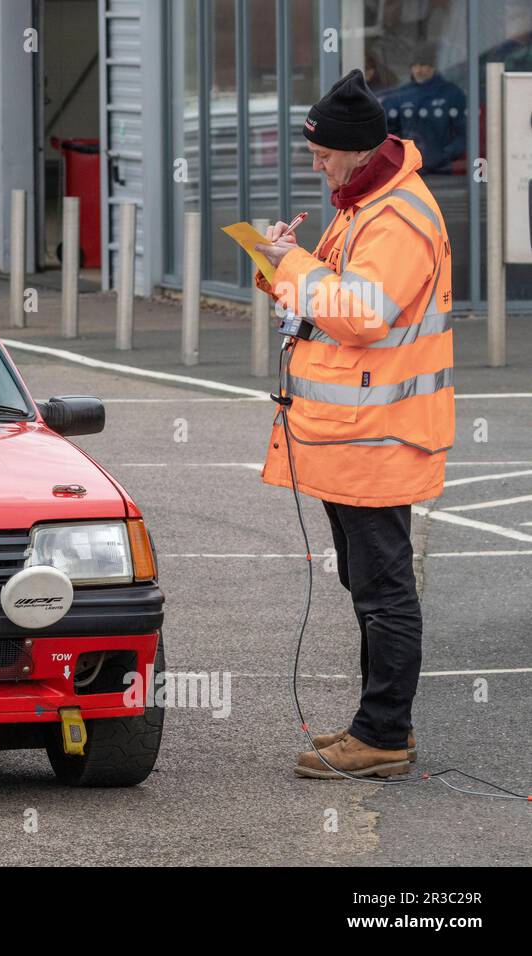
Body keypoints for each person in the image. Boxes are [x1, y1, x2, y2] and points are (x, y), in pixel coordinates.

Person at [253, 69, 454, 780]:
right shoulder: (366, 201)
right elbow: (332, 293)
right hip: (352, 434)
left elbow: (363, 315)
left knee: (382, 588)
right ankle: (376, 726)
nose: (314, 162)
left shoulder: (396, 216)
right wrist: (280, 265)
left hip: (378, 435)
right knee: (369, 585)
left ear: (360, 150)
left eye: (322, 151)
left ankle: (385, 735)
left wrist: (296, 265)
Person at [379, 42, 466, 174]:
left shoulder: (451, 93)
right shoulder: (400, 95)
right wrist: (400, 156)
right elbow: (387, 132)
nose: (418, 70)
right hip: (409, 170)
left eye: (424, 65)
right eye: (415, 65)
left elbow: (463, 134)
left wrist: (443, 156)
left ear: (433, 67)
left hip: (443, 172)